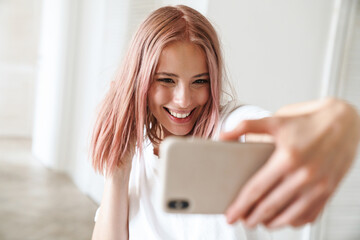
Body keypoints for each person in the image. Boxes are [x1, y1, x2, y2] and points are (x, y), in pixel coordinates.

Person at [90, 5, 360, 240]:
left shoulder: (232, 127)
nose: (184, 100)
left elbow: (274, 131)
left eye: (200, 81)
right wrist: (118, 172)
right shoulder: (135, 155)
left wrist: (341, 117)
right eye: (167, 80)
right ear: (140, 81)